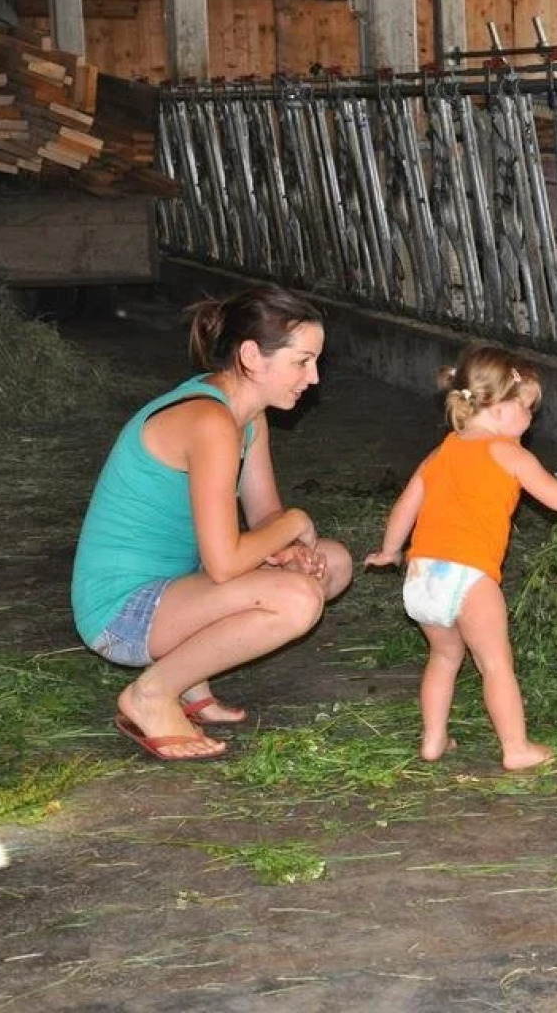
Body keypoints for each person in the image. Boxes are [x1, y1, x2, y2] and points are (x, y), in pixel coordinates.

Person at [71, 286, 353, 761]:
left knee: (334, 562)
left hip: (176, 588)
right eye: (302, 361)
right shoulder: (210, 422)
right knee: (297, 599)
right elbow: (226, 564)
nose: (314, 377)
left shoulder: (246, 417)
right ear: (251, 356)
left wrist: (292, 546)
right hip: (120, 612)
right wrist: (296, 524)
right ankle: (151, 695)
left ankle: (188, 681)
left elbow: (265, 517)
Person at [365, 345, 557, 771]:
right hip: (470, 577)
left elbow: (406, 505)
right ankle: (516, 747)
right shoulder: (508, 453)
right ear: (500, 407)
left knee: (443, 657)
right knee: (495, 664)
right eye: (527, 408)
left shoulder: (443, 451)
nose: (531, 419)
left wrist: (389, 550)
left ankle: (433, 739)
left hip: (422, 576)